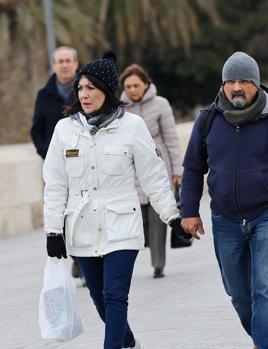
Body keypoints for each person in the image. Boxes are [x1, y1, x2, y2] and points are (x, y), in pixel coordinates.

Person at [43, 51, 186, 349]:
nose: (84, 94)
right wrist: (53, 231)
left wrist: (172, 216)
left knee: (115, 296)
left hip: (122, 226)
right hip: (81, 227)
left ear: (106, 91)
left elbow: (153, 176)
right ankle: (128, 341)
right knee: (99, 299)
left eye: (91, 88)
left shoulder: (132, 127)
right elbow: (55, 184)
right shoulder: (64, 130)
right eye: (80, 88)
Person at [180, 51, 268, 349]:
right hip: (224, 219)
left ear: (256, 83)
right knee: (239, 293)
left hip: (267, 213)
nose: (236, 87)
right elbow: (193, 168)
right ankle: (263, 339)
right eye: (230, 81)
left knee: (267, 290)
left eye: (243, 80)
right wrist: (189, 211)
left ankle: (265, 345)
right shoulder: (207, 121)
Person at [120, 64, 183, 279]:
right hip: (131, 168)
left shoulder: (161, 104)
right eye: (128, 86)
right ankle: (145, 247)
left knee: (158, 217)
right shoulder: (120, 107)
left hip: (158, 164)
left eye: (136, 85)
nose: (132, 90)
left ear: (146, 84)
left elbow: (172, 139)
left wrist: (177, 170)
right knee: (140, 219)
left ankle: (158, 263)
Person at [30, 46, 85, 282]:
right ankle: (76, 256)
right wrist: (48, 154)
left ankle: (83, 261)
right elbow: (36, 130)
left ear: (75, 64)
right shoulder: (44, 95)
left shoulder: (86, 90)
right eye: (59, 61)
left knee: (83, 211)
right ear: (54, 65)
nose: (64, 65)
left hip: (83, 163)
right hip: (55, 168)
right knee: (60, 214)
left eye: (68, 61)